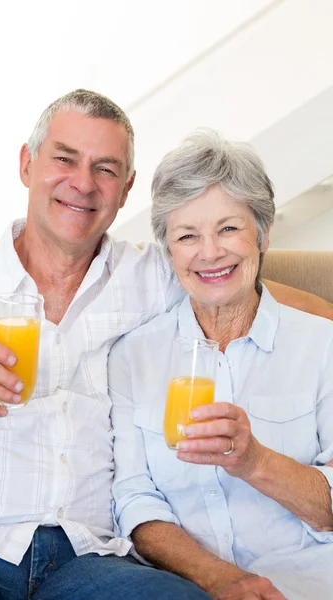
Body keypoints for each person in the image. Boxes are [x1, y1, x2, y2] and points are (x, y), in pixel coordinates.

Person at [0, 91, 330, 600]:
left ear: (126, 190)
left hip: (86, 557)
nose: (82, 182)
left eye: (105, 168)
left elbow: (250, 291)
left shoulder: (158, 273)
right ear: (27, 164)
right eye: (64, 159)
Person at [110, 129, 333, 600]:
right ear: (169, 251)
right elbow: (134, 501)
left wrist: (253, 461)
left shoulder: (322, 345)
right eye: (187, 235)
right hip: (184, 587)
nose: (209, 252)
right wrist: (217, 578)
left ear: (264, 232)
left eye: (229, 228)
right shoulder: (134, 355)